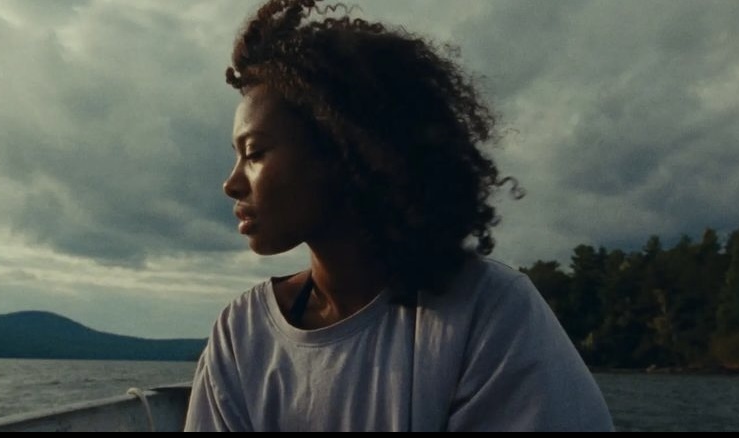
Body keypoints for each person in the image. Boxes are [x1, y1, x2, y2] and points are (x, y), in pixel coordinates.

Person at [184, 0, 613, 432]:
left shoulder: (487, 312)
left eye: (255, 153)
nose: (232, 183)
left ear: (344, 150)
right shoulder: (242, 335)